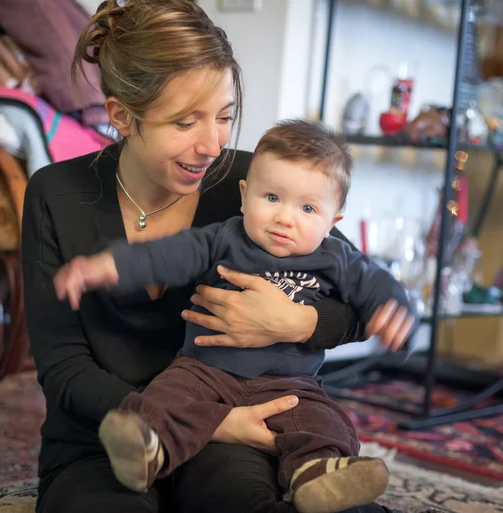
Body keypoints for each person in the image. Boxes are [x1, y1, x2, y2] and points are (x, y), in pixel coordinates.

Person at [22, 1, 414, 512]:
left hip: (238, 432)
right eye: (186, 122)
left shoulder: (261, 187)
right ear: (122, 114)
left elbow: (365, 296)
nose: (212, 144)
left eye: (225, 116)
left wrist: (298, 322)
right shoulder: (56, 193)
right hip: (108, 439)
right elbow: (63, 368)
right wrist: (207, 421)